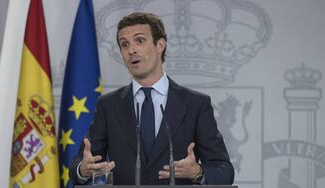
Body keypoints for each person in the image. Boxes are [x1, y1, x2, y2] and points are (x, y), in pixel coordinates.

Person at [70, 12, 234, 185]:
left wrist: (197, 172)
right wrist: (83, 169)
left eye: (139, 41)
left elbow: (224, 171)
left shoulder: (195, 104)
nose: (131, 50)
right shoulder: (108, 105)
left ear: (160, 44)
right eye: (124, 44)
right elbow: (76, 167)